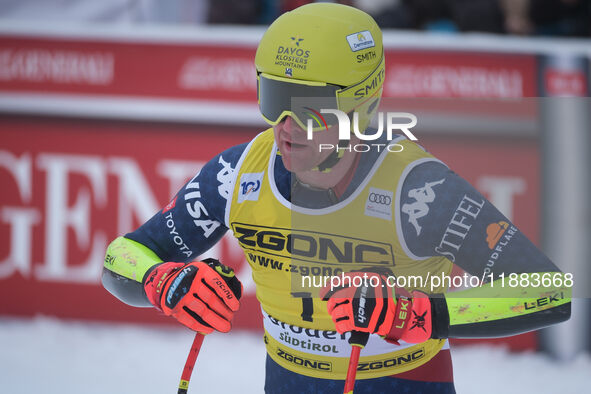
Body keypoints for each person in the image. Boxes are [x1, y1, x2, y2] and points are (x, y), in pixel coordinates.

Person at [102, 3, 571, 393]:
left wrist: (422, 313)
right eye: (273, 98)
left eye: (307, 108)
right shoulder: (239, 171)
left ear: (359, 106)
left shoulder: (418, 190)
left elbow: (548, 292)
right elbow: (122, 257)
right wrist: (162, 282)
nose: (285, 126)